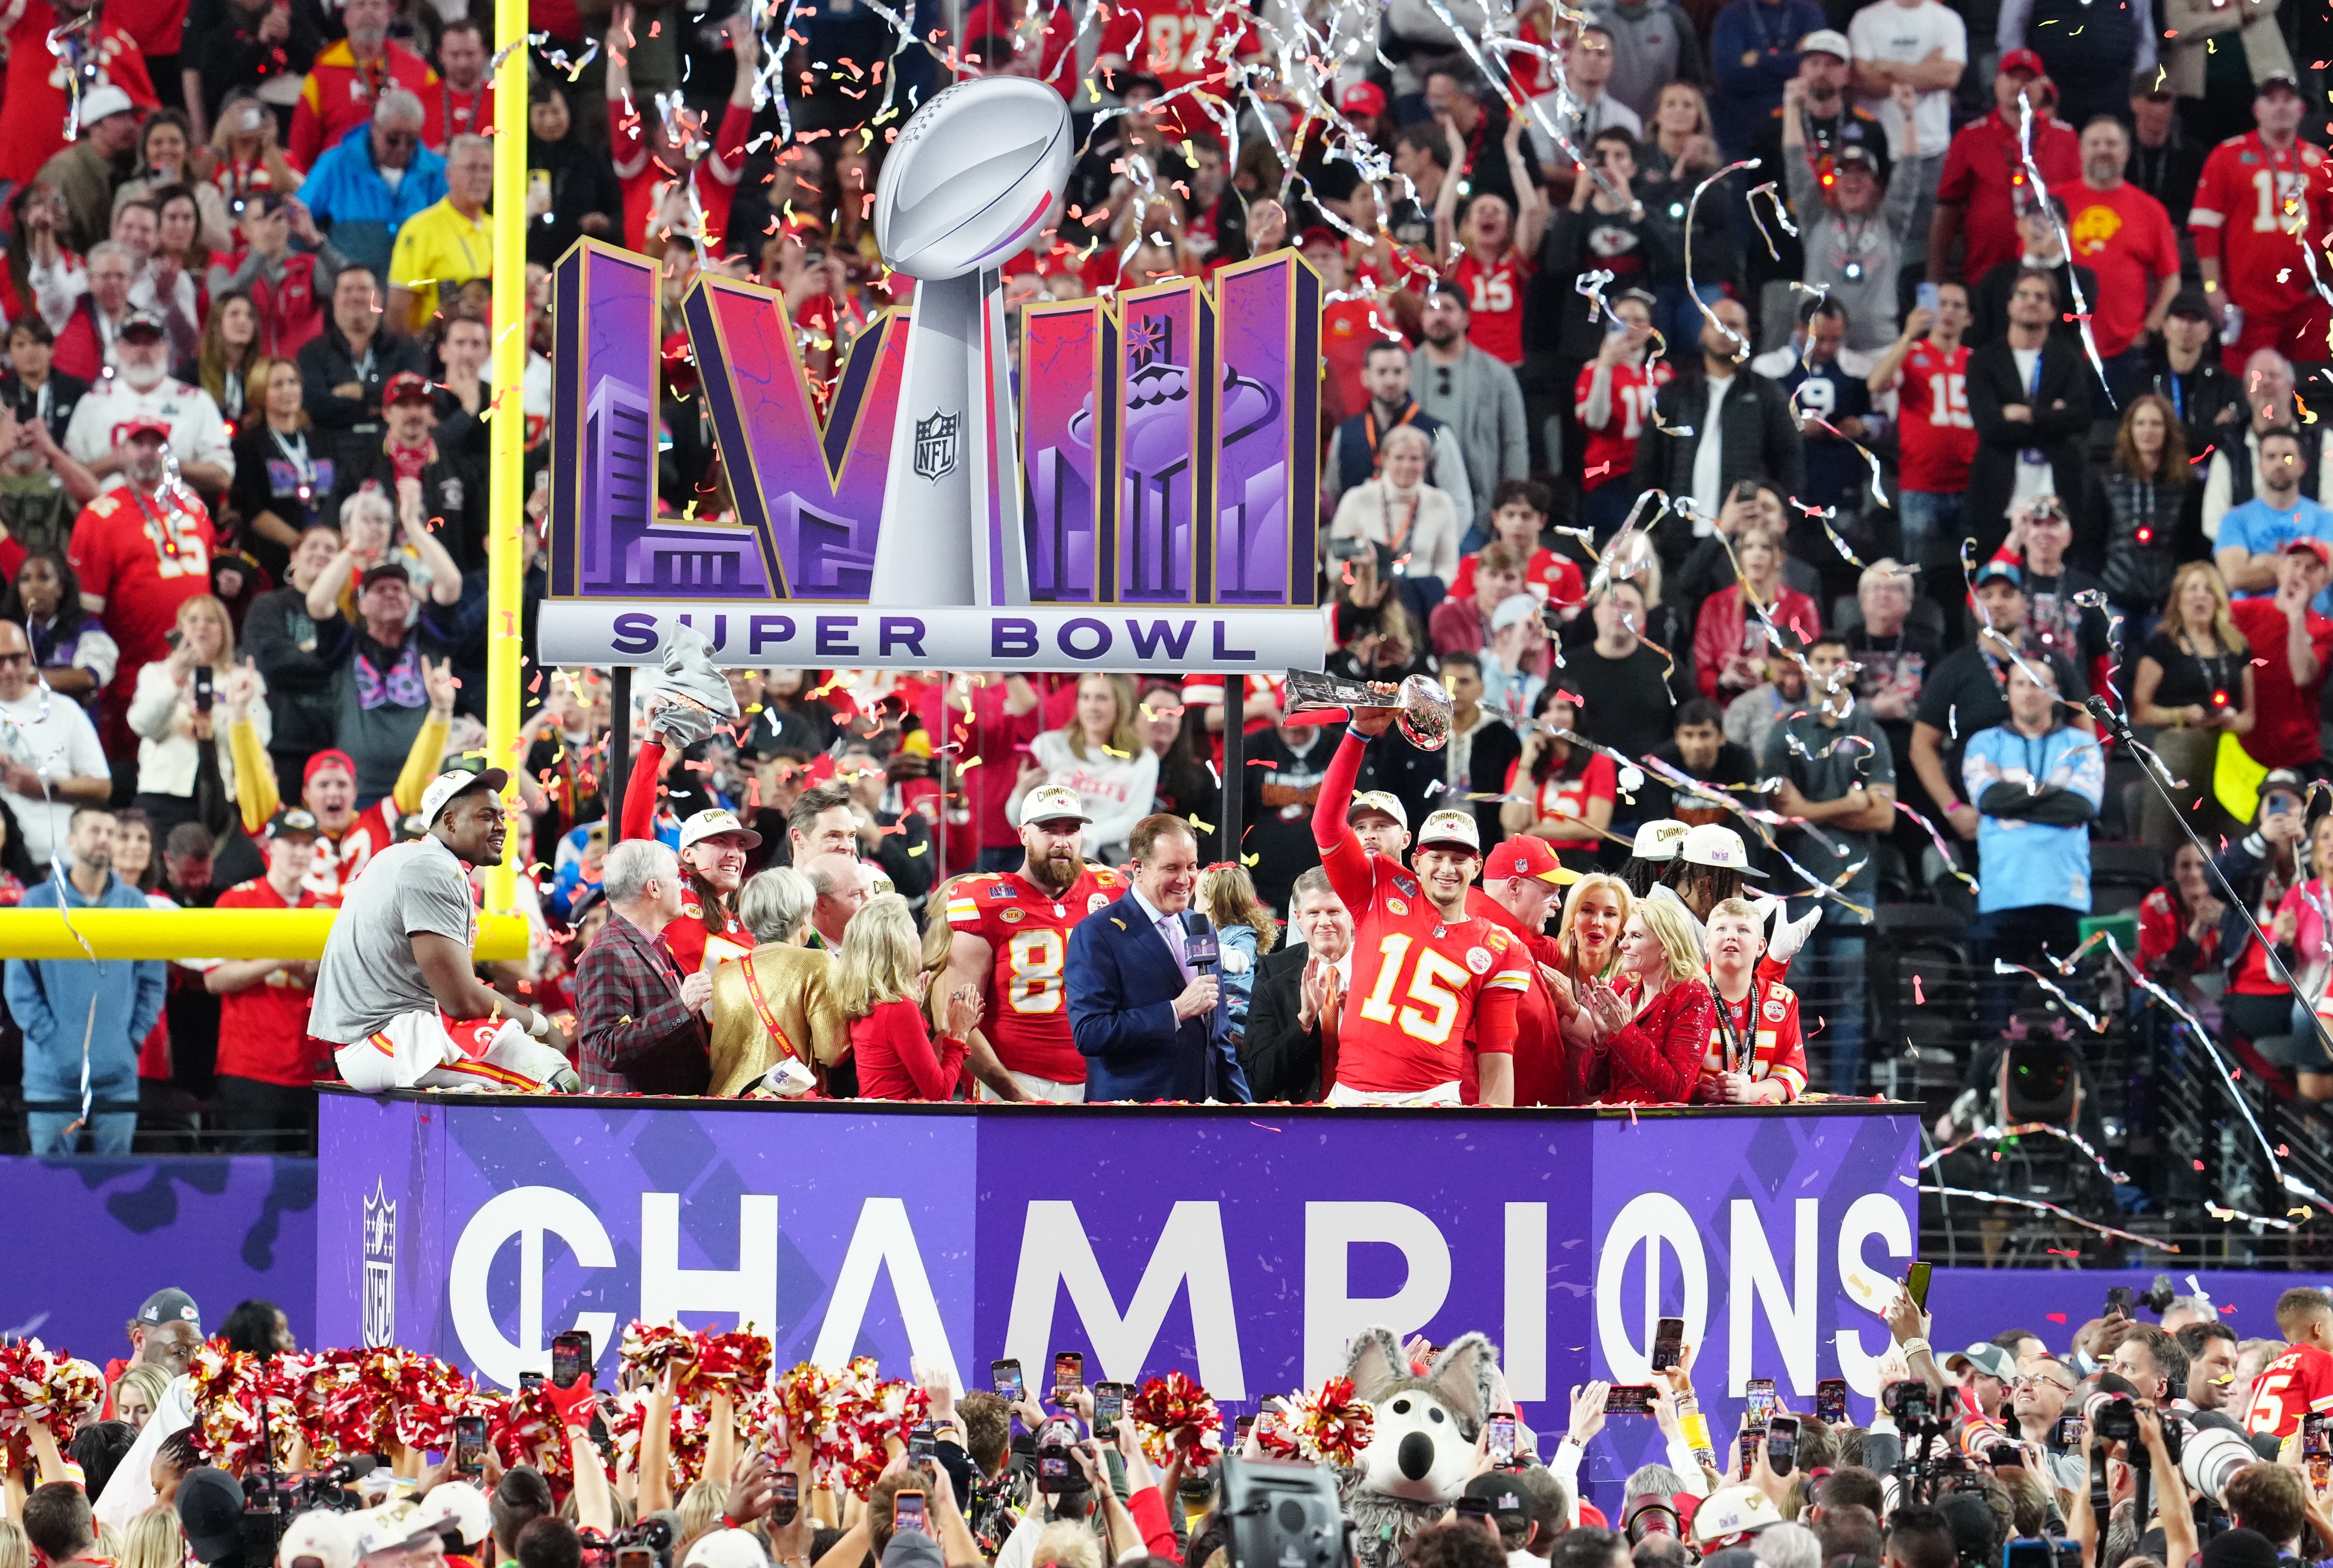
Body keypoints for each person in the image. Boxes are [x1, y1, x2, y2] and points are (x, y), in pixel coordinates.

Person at [1311, 706, 1531, 1106]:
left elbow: (1497, 1055)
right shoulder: (1378, 887)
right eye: (1437, 857)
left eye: (1460, 858)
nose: (1447, 868)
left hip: (1433, 1104)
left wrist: (1496, 1134)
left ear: (1477, 865)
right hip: (1351, 1097)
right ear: (1416, 860)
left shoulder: (1501, 949)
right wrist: (1358, 735)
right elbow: (1326, 824)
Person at [309, 767, 578, 1093]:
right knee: (553, 1074)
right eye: (486, 816)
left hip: (385, 1032)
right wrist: (539, 1024)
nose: (501, 827)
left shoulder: (420, 859)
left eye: (503, 817)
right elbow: (461, 1000)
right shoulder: (430, 868)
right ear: (450, 821)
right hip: (381, 1038)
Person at [1762, 636, 1894, 1091]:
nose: (1831, 668)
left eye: (1839, 660)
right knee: (1794, 997)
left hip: (1855, 884)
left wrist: (1811, 810)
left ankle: (1843, 1097)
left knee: (1850, 1000)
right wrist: (1848, 804)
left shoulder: (1870, 731)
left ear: (1852, 669)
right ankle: (1798, 1091)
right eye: (1820, 661)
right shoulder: (1784, 731)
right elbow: (1779, 814)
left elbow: (1884, 814)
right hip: (1796, 885)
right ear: (1807, 669)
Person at [942, 784, 1129, 1103]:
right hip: (1014, 1076)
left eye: (1071, 830)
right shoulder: (988, 900)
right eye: (1049, 830)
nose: (1062, 842)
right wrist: (1012, 1091)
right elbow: (957, 1019)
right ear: (1023, 835)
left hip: (1100, 1077)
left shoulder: (1112, 890)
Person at [4, 807, 164, 1154]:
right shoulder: (38, 903)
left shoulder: (135, 906)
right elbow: (19, 987)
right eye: (95, 831)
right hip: (52, 1076)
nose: (104, 839)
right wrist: (53, 1041)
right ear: (71, 841)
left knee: (116, 1186)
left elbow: (153, 981)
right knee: (49, 1184)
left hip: (118, 1075)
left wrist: (131, 1039)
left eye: (112, 832)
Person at [1064, 813, 1251, 1103]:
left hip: (1203, 1114)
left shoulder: (1199, 927)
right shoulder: (1097, 934)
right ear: (1138, 869)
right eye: (1171, 868)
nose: (1185, 879)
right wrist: (1175, 1011)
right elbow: (1090, 1033)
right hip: (1134, 1118)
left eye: (1191, 866)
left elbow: (1218, 1038)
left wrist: (1245, 1110)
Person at [1964, 660, 2103, 1037]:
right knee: (1997, 1017)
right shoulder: (1984, 742)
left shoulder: (2081, 744)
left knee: (2070, 1018)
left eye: (2040, 683)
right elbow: (1988, 798)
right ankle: (1993, 1089)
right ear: (2008, 691)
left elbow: (2082, 807)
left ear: (2054, 693)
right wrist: (2052, 794)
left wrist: (2017, 799)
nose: (2030, 691)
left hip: (2065, 894)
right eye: (2021, 683)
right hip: (2002, 896)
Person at [204, 806, 330, 1151]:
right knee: (249, 1179)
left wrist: (311, 973)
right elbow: (215, 980)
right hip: (250, 1065)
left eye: (307, 844)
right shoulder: (237, 901)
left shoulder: (326, 909)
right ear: (269, 846)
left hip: (311, 1066)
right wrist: (279, 959)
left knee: (312, 1180)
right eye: (290, 842)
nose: (300, 852)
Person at [2191, 74, 2333, 369]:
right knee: (2247, 389)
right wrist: (2211, 286)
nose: (2280, 107)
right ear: (2256, 109)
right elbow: (2206, 230)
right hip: (2247, 305)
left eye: (2288, 100)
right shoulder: (2226, 157)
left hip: (2307, 303)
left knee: (2310, 389)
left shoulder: (2321, 162)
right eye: (2271, 100)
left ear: (2301, 109)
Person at [1630, 298, 1805, 527]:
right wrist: (1646, 529)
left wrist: (1782, 525)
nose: (1723, 331)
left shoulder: (1768, 394)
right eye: (1715, 323)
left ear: (1748, 335)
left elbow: (1789, 465)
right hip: (1679, 536)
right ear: (1702, 332)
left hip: (1746, 536)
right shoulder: (1673, 394)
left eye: (1733, 325)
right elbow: (1648, 466)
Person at [1965, 270, 2095, 561]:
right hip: (1999, 493)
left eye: (2041, 297)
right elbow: (1989, 426)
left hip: (2057, 493)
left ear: (2052, 310)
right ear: (2009, 305)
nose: (2031, 302)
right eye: (2022, 295)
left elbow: (2080, 419)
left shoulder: (2068, 359)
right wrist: (2051, 418)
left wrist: (2025, 415)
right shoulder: (1983, 361)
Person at [2131, 563, 2256, 850]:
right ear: (2179, 599)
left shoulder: (2237, 646)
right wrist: (2181, 715)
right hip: (2179, 747)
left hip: (2227, 750)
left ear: (2218, 599)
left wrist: (2230, 720)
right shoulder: (2162, 645)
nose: (2201, 597)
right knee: (2164, 838)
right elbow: (2139, 711)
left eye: (2208, 590)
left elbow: (2250, 717)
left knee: (2238, 837)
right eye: (2192, 589)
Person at [1930, 52, 2081, 284]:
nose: (2020, 84)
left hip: (2054, 271)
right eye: (2012, 77)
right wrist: (1934, 279)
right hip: (1987, 270)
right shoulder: (1971, 137)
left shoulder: (2066, 137)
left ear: (2043, 87)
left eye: (2029, 78)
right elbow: (1947, 211)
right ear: (1997, 83)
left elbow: (2081, 204)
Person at [127, 594, 261, 843]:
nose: (202, 626)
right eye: (193, 620)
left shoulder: (243, 679)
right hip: (162, 793)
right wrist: (176, 680)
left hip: (218, 797)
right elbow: (142, 725)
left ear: (225, 631)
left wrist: (217, 726)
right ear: (179, 629)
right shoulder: (156, 674)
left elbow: (259, 741)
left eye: (212, 620)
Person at [702, 866, 847, 1096]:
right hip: (786, 1106)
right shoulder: (818, 962)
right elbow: (833, 1052)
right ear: (801, 916)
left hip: (727, 1103)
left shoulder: (723, 973)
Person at [2068, 117, 2183, 394]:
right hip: (2065, 348)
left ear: (2126, 153)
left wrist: (2149, 329)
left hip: (2127, 350)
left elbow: (2171, 279)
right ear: (2080, 152)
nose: (2102, 150)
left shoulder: (2150, 210)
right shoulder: (2053, 204)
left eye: (2111, 143)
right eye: (2094, 143)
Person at [1465, 835, 1581, 1105]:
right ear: (1514, 887)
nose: (1557, 904)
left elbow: (1553, 949)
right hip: (1498, 1128)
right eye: (1550, 892)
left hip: (1529, 1123)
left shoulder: (1517, 941)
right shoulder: (1477, 951)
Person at [1411, 286, 1529, 546]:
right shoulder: (1404, 371)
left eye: (1448, 309)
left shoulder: (1498, 375)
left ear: (1466, 318)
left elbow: (1515, 444)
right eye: (1430, 309)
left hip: (1479, 511)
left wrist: (1510, 506)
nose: (1438, 316)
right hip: (1414, 509)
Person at [0, 620, 113, 875]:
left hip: (59, 861)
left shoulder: (63, 709)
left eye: (16, 659)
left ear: (29, 657)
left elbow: (102, 786)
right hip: (6, 864)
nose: (8, 670)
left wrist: (48, 787)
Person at [1577, 897, 1714, 1103]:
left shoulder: (1693, 996)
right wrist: (1601, 1037)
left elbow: (1675, 1089)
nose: (1622, 945)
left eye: (1636, 936)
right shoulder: (1621, 987)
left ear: (1666, 947)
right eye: (1625, 936)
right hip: (1612, 1122)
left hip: (1658, 1127)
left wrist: (1625, 1030)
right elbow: (1591, 1086)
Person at [843, 893, 978, 1102]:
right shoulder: (899, 1009)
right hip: (902, 1126)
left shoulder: (872, 1001)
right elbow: (939, 1092)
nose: (921, 939)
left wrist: (946, 1029)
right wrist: (959, 1035)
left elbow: (914, 1071)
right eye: (915, 931)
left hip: (880, 1121)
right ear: (900, 945)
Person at [294, 102, 448, 285]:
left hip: (414, 294)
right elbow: (298, 220)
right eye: (393, 139)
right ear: (375, 128)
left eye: (412, 141)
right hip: (350, 293)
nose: (402, 148)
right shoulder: (335, 164)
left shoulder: (438, 171)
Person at [1014, 674, 1157, 864]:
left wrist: (1086, 838)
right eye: (1085, 697)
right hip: (1047, 861)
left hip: (1105, 864)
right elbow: (1016, 819)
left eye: (1102, 698)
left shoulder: (1143, 759)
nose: (1092, 707)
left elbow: (1134, 820)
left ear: (1122, 705)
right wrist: (1021, 794)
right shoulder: (1049, 745)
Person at [1319, 340, 1471, 515]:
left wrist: (1438, 541)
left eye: (1398, 372)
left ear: (1409, 376)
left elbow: (1460, 505)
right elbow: (1330, 504)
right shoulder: (1345, 434)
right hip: (1359, 538)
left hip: (1418, 538)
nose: (1391, 381)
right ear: (1366, 378)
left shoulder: (1436, 433)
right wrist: (1337, 542)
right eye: (1382, 372)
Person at [1240, 866, 1352, 1103]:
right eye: (1314, 913)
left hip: (1368, 1115)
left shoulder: (1380, 969)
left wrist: (1364, 1021)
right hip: (1301, 1121)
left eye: (1334, 911)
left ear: (1350, 913)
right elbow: (1258, 1082)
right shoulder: (1272, 973)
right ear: (1299, 919)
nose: (1325, 922)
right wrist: (1304, 1023)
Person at [1327, 423, 1465, 611]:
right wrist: (1358, 590)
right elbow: (1336, 561)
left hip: (1422, 601)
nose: (1407, 466)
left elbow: (1448, 566)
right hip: (1364, 597)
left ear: (1426, 463)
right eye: (1399, 458)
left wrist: (1430, 592)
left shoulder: (1441, 503)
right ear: (1383, 459)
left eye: (1415, 459)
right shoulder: (1357, 499)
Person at [287, 0, 439, 168]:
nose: (369, 12)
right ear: (346, 18)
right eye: (361, 5)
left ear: (388, 15)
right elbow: (301, 152)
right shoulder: (322, 76)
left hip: (405, 187)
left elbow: (434, 142)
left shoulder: (421, 73)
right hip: (342, 186)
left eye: (376, 5)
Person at [2226, 539, 2333, 774]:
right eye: (2296, 564)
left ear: (2325, 581)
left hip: (2296, 755)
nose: (2302, 574)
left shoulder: (2325, 629)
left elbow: (2303, 677)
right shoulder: (2241, 613)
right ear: (2281, 568)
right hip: (2241, 751)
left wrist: (2296, 616)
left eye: (2312, 568)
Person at [1572, 292, 1674, 539]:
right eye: (1622, 320)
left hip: (1653, 475)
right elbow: (1594, 422)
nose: (1631, 327)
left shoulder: (1664, 373)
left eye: (1639, 320)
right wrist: (1605, 367)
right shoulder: (1592, 370)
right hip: (1606, 472)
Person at [1692, 523, 1821, 702]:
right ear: (1740, 557)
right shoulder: (1714, 606)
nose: (1757, 554)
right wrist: (1723, 680)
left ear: (1779, 558)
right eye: (1749, 547)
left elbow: (1814, 666)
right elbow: (1703, 671)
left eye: (1766, 548)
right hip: (1727, 703)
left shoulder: (1802, 606)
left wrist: (1768, 671)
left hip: (1783, 704)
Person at [1570, 578, 1693, 765]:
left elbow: (1691, 724)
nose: (1620, 612)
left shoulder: (1668, 668)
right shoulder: (1569, 668)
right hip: (1585, 781)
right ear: (1595, 613)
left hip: (1651, 781)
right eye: (1613, 604)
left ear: (1643, 616)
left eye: (1629, 606)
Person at [1697, 897, 1807, 1102]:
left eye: (1743, 930)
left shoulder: (1783, 1001)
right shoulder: (1683, 996)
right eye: (1721, 929)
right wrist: (1693, 1091)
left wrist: (1749, 1093)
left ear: (1761, 947)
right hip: (1693, 1122)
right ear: (1706, 943)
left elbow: (1792, 1077)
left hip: (1763, 1127)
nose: (1731, 936)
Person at [2098, 393, 2194, 625]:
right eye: (2140, 423)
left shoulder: (2187, 485)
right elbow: (2091, 542)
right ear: (2129, 430)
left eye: (2156, 424)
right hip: (2115, 595)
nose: (2147, 431)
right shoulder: (2106, 480)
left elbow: (2191, 547)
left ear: (2168, 431)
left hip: (2166, 600)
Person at [1500, 687, 1617, 873]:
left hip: (1578, 861)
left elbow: (1596, 825)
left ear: (1577, 715)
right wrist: (1526, 764)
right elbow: (1512, 824)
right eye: (1545, 710)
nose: (1554, 716)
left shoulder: (1599, 761)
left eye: (1562, 708)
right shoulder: (1524, 763)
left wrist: (1536, 832)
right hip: (1532, 859)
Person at [385, 134, 490, 335]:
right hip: (438, 355)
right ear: (448, 175)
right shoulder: (420, 228)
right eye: (472, 168)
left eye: (487, 169)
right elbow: (397, 312)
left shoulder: (500, 231)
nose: (480, 177)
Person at [2214, 428, 2333, 599]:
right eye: (2271, 457)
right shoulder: (2235, 519)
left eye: (2288, 457)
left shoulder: (2326, 519)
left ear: (2303, 466)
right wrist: (2304, 571)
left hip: (2311, 620)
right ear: (2260, 466)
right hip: (2252, 621)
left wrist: (2261, 562)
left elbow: (2326, 574)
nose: (2280, 464)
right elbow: (2234, 578)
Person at [2244, 1288, 2333, 1438]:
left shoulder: (2271, 1367)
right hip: (2291, 1456)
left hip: (2257, 1454)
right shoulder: (2320, 1360)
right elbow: (2330, 1418)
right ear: (2318, 1329)